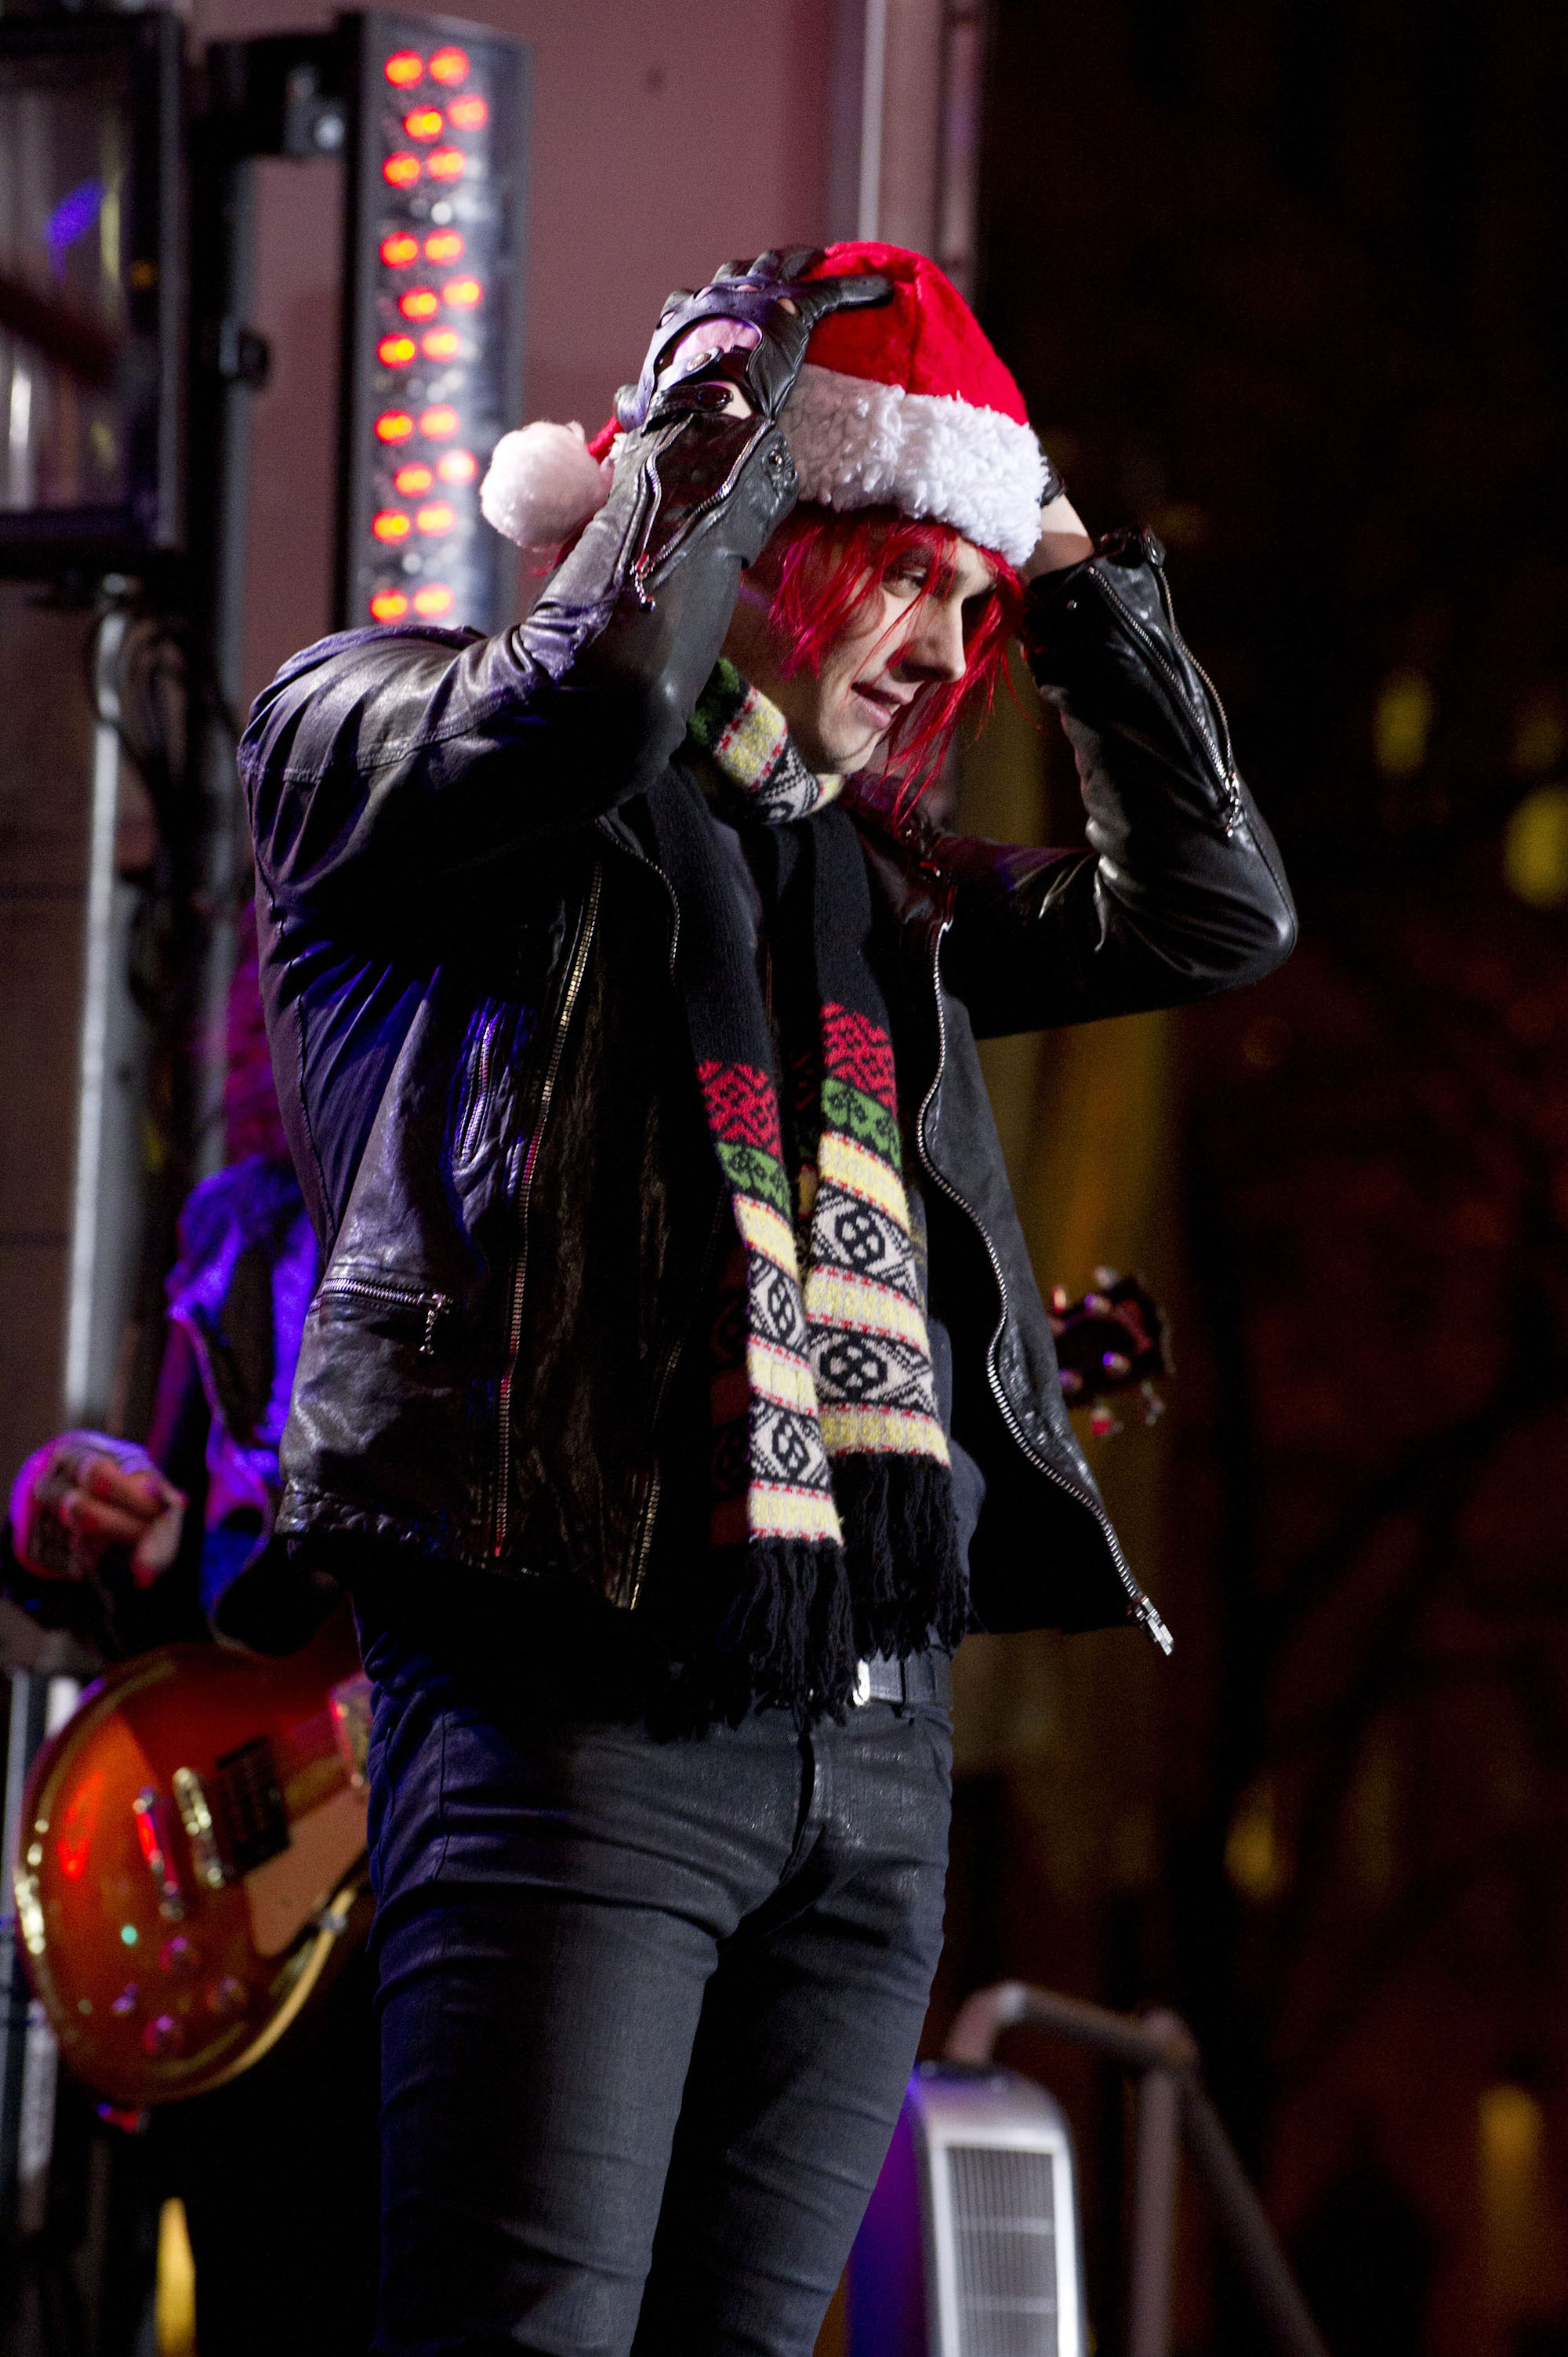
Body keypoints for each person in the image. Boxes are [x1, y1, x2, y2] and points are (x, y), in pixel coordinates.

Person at [240, 242, 1296, 2357]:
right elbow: (608, 700)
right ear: (750, 522)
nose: (940, 648)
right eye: (905, 571)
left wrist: (1056, 544)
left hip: (869, 1752)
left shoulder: (877, 887)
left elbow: (1213, 904)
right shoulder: (379, 734)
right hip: (577, 1717)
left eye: (972, 609)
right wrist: (747, 386)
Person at [2, 910, 379, 2357]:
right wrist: (70, 1514)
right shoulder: (243, 1230)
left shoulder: (527, 1205)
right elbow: (174, 1599)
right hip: (250, 1899)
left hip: (446, 1895)